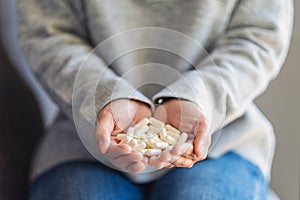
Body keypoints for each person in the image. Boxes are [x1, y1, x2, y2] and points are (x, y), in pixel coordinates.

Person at [17, 0, 293, 199]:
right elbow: (48, 35)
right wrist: (104, 98)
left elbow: (257, 37)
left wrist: (198, 97)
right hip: (82, 145)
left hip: (222, 141)